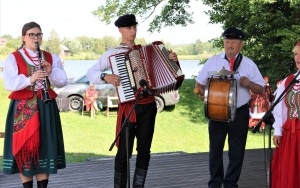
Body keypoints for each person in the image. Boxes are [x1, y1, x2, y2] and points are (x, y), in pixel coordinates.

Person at [86, 14, 179, 188]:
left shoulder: (147, 51)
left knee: (144, 152)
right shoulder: (112, 54)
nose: (133, 31)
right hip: (129, 107)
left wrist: (173, 61)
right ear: (120, 30)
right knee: (123, 153)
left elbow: (173, 73)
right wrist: (106, 76)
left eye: (134, 27)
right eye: (129, 28)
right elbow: (91, 73)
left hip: (149, 106)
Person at [194, 27, 264, 188]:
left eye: (234, 42)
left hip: (239, 112)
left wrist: (250, 84)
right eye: (227, 42)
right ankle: (215, 182)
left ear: (242, 44)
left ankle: (231, 183)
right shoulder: (213, 61)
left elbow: (260, 88)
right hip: (216, 112)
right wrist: (207, 97)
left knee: (237, 151)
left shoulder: (248, 64)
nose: (230, 45)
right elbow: (199, 84)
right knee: (215, 149)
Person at [2, 21, 67, 188]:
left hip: (46, 106)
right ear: (23, 37)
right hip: (23, 107)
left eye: (39, 34)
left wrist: (50, 71)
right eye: (32, 34)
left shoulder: (50, 57)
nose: (36, 38)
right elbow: (8, 83)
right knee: (26, 149)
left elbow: (62, 82)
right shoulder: (13, 58)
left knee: (44, 148)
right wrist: (30, 79)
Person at [271, 41, 300, 188]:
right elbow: (278, 107)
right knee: (289, 172)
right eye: (295, 54)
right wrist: (278, 131)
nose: (298, 58)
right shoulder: (289, 80)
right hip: (290, 135)